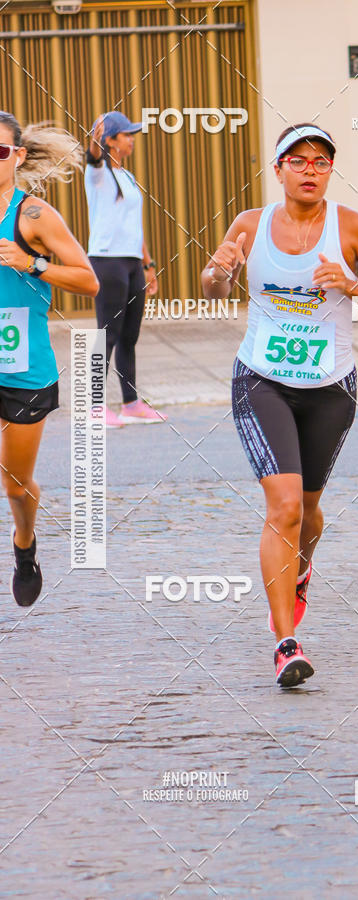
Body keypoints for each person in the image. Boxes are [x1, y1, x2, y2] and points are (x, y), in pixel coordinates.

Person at [202, 123, 358, 687]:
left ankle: (300, 570)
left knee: (309, 511)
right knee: (284, 507)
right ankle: (286, 643)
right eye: (299, 160)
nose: (310, 169)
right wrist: (219, 271)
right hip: (261, 378)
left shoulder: (352, 227)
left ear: (329, 171)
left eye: (321, 161)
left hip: (331, 385)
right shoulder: (250, 224)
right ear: (279, 169)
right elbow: (212, 287)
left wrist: (353, 287)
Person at [0, 111, 99, 606]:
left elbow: (88, 280)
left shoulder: (33, 216)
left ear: (17, 157)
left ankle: (24, 544)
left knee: (15, 485)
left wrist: (31, 263)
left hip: (23, 367)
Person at [85, 111, 164, 428]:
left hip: (131, 262)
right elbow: (92, 156)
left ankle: (130, 403)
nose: (132, 139)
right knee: (107, 333)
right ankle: (93, 407)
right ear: (112, 141)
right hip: (107, 261)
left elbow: (135, 225)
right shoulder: (98, 174)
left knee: (129, 336)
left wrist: (148, 265)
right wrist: (94, 138)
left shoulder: (128, 177)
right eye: (127, 134)